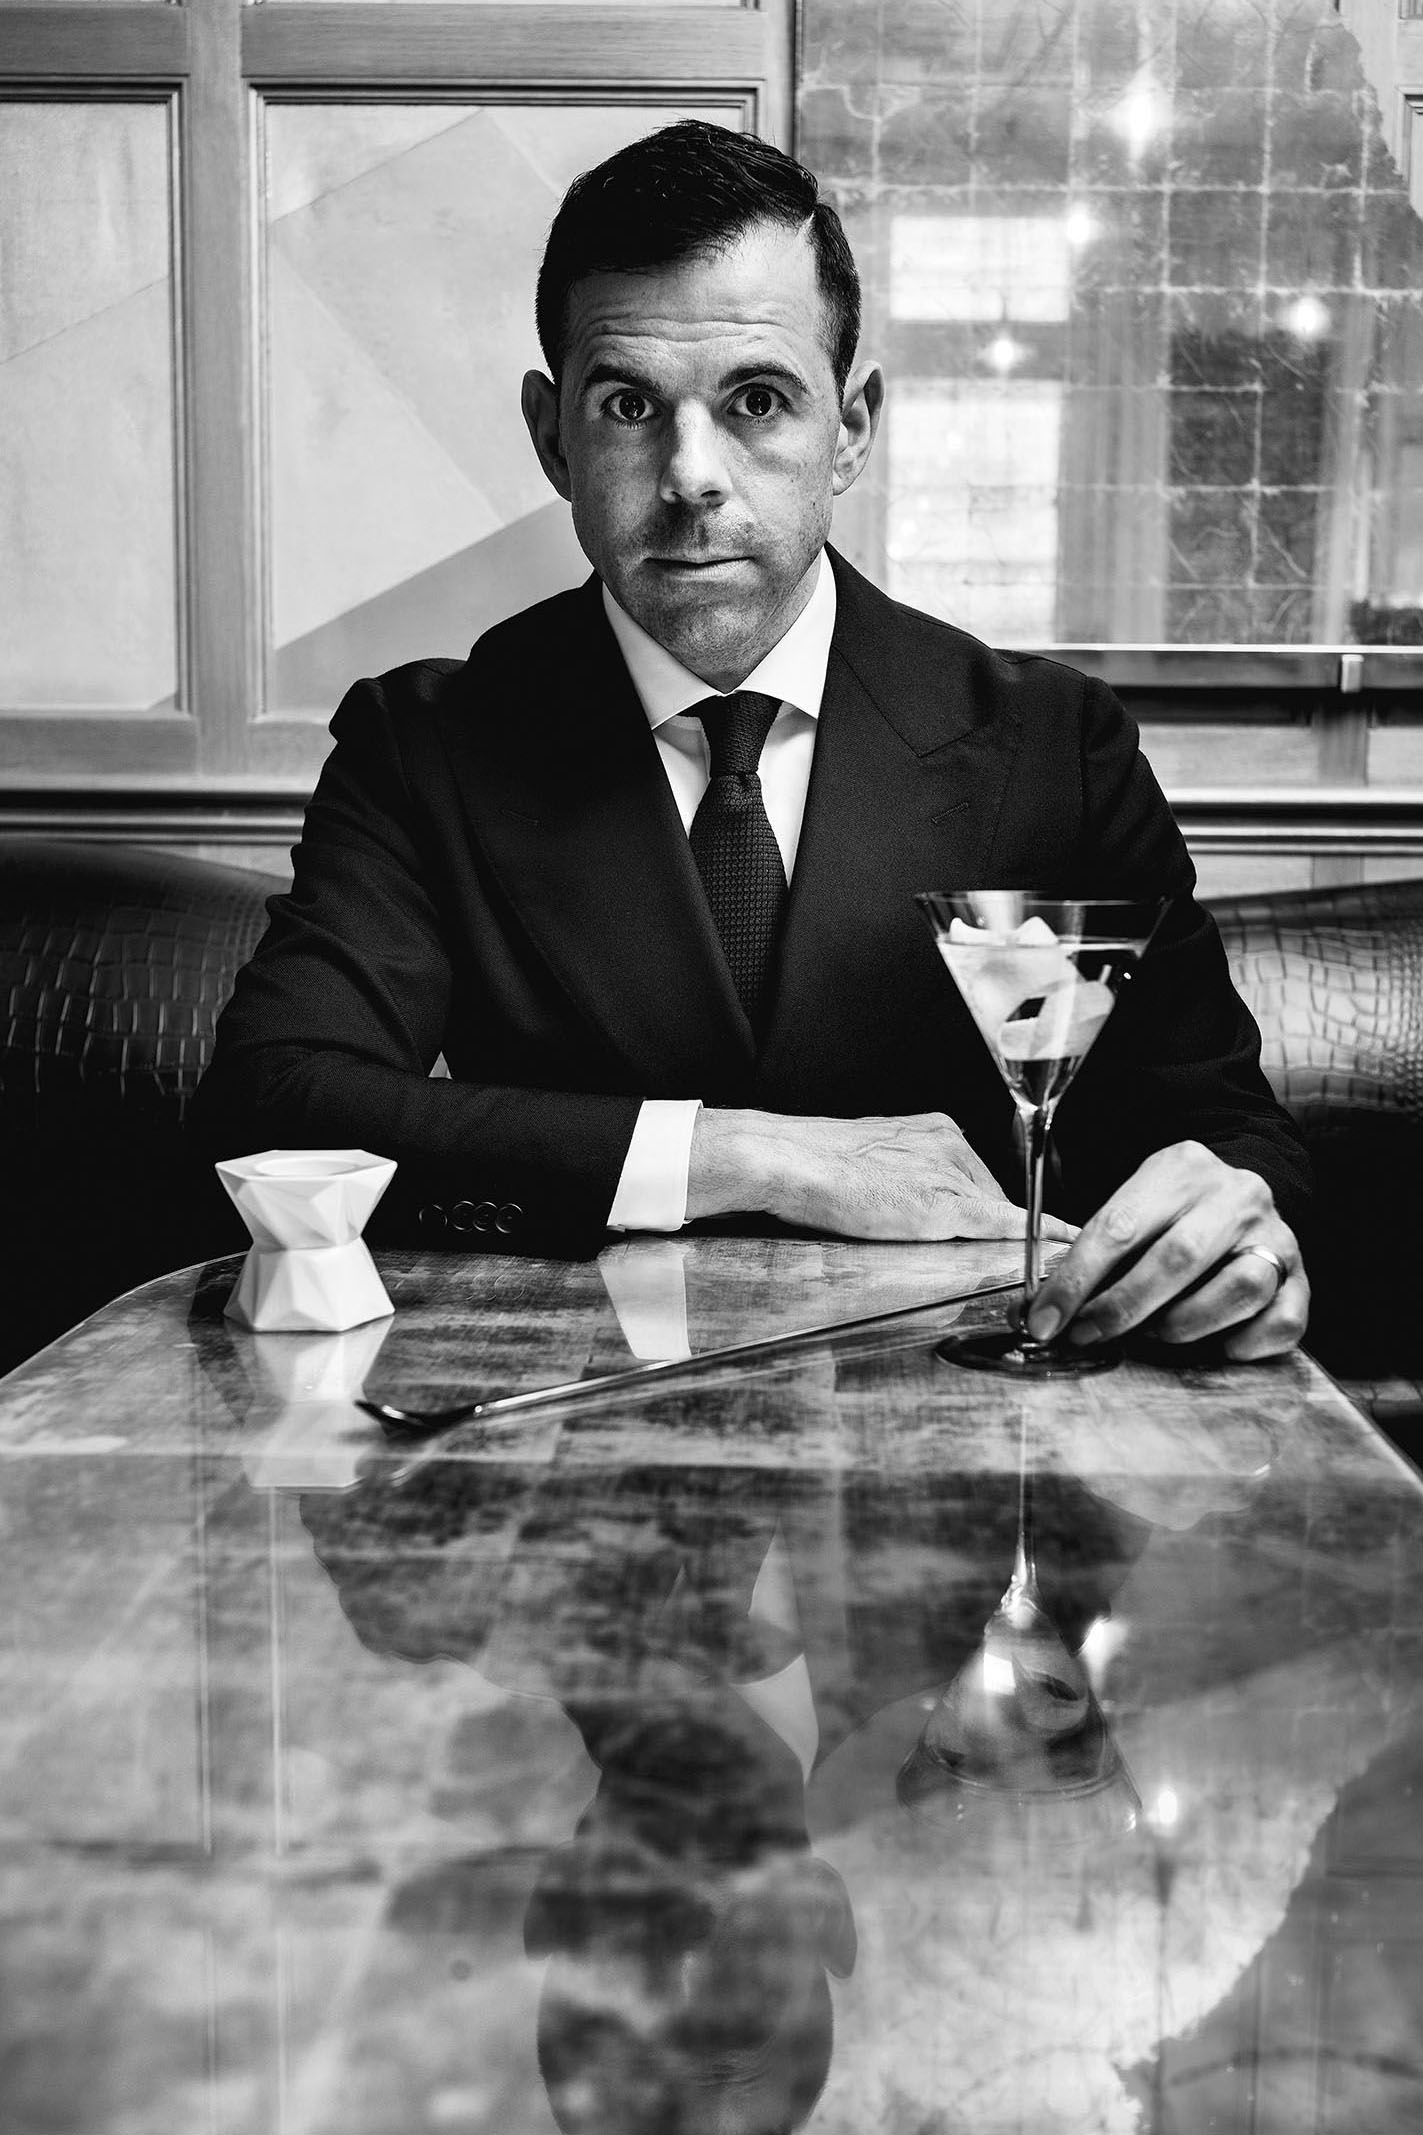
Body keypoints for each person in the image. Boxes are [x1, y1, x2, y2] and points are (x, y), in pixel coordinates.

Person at [194, 120, 1311, 1361]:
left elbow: (1225, 1130)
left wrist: (1234, 1232)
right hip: (559, 1431)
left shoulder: (1058, 745)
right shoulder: (422, 745)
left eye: (758, 400)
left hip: (966, 1429)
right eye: (629, 405)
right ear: (553, 435)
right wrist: (748, 1154)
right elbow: (274, 1105)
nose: (692, 475)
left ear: (852, 425)